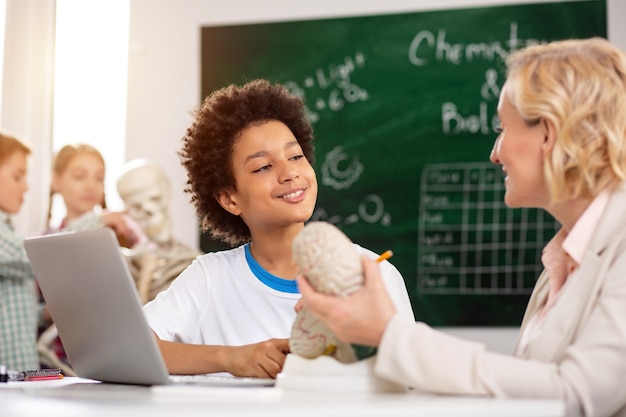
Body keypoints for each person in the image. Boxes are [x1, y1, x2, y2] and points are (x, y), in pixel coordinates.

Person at [297, 37, 626, 417]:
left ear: (548, 134)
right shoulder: (563, 259)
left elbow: (576, 395)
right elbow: (526, 390)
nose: (494, 152)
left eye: (504, 128)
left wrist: (388, 334)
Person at [142, 79, 414, 378]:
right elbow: (133, 348)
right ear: (230, 198)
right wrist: (231, 359)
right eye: (263, 167)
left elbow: (409, 377)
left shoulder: (374, 275)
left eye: (295, 156)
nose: (290, 173)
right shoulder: (209, 279)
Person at [38, 143, 146, 372]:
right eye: (79, 176)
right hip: (57, 363)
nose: (90, 186)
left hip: (119, 355)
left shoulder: (123, 231)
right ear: (56, 181)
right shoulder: (42, 243)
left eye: (99, 178)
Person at [116, 158, 200, 304]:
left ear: (167, 194)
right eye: (136, 207)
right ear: (127, 211)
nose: (148, 211)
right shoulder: (122, 263)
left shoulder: (194, 263)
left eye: (155, 199)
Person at [0, 131, 38, 371]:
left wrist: (44, 314)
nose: (26, 186)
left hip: (21, 373)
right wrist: (95, 221)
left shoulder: (8, 229)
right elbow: (32, 257)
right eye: (18, 176)